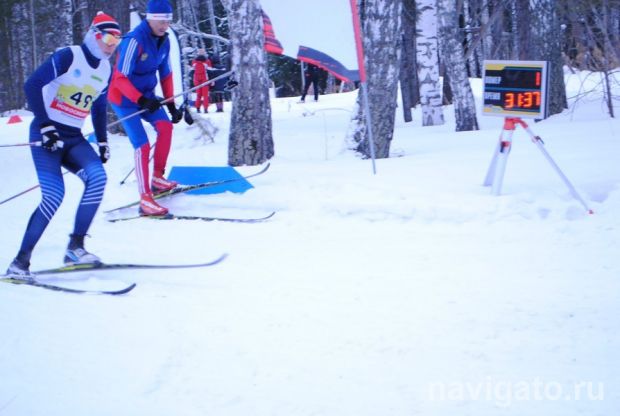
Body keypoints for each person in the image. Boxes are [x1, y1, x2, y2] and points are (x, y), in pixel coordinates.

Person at [5, 12, 122, 279]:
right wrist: (46, 125)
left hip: (73, 136)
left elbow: (99, 107)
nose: (111, 45)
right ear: (94, 35)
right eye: (107, 38)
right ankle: (20, 262)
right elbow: (32, 84)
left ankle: (75, 248)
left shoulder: (105, 69)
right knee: (54, 196)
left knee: (97, 178)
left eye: (116, 41)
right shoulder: (69, 56)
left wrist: (103, 141)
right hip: (46, 134)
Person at [108, 0, 184, 216]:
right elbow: (120, 78)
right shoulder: (134, 40)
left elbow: (166, 74)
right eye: (161, 21)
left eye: (168, 21)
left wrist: (171, 104)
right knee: (142, 145)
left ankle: (158, 177)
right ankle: (145, 198)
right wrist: (140, 100)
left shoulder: (164, 41)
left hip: (147, 96)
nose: (165, 26)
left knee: (166, 127)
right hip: (124, 99)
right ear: (150, 18)